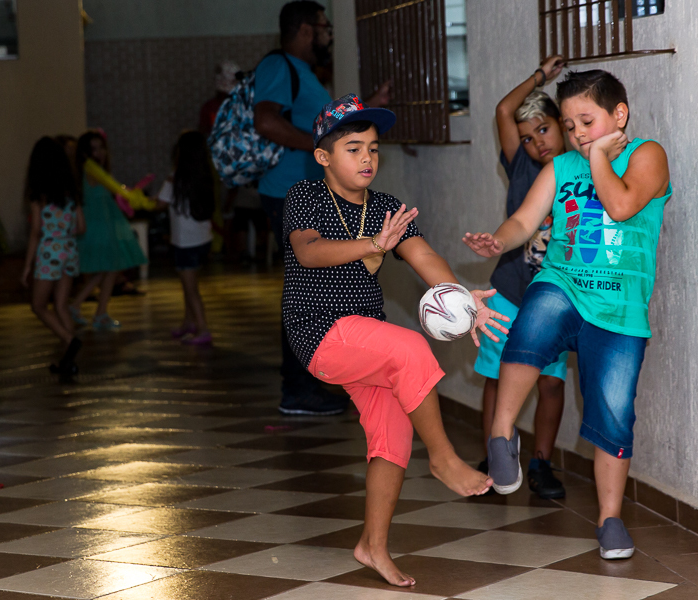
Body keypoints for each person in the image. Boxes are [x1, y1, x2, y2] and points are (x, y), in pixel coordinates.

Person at [283, 94, 503, 586]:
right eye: (353, 148)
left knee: (393, 435)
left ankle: (372, 547)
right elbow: (310, 253)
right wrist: (374, 245)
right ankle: (444, 458)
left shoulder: (386, 208)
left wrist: (461, 299)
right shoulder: (305, 197)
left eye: (374, 149)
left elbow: (425, 258)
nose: (367, 159)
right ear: (323, 157)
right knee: (410, 347)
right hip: (318, 330)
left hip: (364, 338)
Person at [463, 69, 672, 560]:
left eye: (587, 121)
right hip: (565, 281)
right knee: (533, 320)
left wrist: (600, 156)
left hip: (619, 308)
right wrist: (500, 239)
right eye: (570, 125)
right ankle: (501, 435)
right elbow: (523, 221)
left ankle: (611, 519)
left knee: (615, 414)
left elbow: (620, 206)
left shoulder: (648, 155)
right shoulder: (560, 168)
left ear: (618, 115)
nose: (577, 134)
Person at [254, 0, 389, 416]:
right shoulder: (280, 66)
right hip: (286, 191)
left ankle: (317, 378)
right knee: (304, 282)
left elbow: (330, 129)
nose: (330, 33)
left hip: (312, 191)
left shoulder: (304, 71)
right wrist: (315, 148)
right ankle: (297, 388)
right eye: (325, 26)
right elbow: (266, 121)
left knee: (326, 279)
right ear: (307, 30)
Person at [475, 55, 569, 499]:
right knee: (498, 377)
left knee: (550, 381)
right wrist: (539, 76)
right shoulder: (522, 165)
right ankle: (496, 456)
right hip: (510, 291)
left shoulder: (581, 173)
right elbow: (501, 111)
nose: (536, 144)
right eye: (527, 137)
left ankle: (541, 463)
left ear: (562, 123)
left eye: (544, 130)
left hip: (552, 298)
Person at [68, 130, 148, 330]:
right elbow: (116, 189)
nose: (100, 152)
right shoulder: (92, 169)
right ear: (86, 152)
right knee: (110, 268)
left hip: (100, 225)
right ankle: (99, 313)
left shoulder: (91, 169)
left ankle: (79, 306)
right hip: (98, 227)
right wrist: (137, 198)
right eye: (94, 148)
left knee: (104, 270)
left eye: (101, 147)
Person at [20, 137, 85, 380]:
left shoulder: (39, 195)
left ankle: (69, 341)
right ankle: (68, 361)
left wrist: (27, 265)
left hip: (49, 251)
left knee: (38, 306)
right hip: (69, 250)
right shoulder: (71, 192)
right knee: (61, 306)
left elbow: (36, 230)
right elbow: (80, 227)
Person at [156, 131, 216, 345]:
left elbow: (160, 204)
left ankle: (202, 328)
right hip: (202, 239)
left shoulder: (175, 178)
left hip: (184, 242)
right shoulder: (204, 175)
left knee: (191, 290)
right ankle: (188, 323)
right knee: (188, 285)